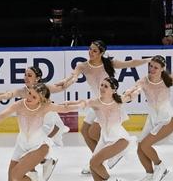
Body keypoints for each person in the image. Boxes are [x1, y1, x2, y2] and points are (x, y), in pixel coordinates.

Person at [60, 40, 149, 173]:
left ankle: (112, 153)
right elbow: (73, 76)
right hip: (97, 103)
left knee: (93, 132)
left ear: (102, 53)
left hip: (108, 104)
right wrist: (68, 81)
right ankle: (98, 158)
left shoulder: (109, 64)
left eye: (95, 50)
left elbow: (131, 63)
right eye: (90, 49)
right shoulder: (82, 65)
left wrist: (149, 60)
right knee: (85, 131)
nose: (91, 52)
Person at [0, 65, 73, 181]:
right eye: (25, 74)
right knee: (28, 145)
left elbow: (60, 88)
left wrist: (73, 78)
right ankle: (40, 166)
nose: (26, 77)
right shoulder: (23, 91)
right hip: (37, 123)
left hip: (49, 123)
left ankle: (40, 165)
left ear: (37, 78)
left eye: (29, 75)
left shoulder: (44, 88)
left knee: (31, 147)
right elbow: (9, 94)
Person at [64, 77, 136, 181]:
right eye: (101, 85)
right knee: (93, 165)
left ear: (113, 90)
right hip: (105, 138)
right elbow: (81, 104)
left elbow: (132, 95)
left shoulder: (118, 100)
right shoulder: (96, 102)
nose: (102, 88)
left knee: (94, 162)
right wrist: (65, 105)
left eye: (106, 86)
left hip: (119, 138)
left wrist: (138, 88)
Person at [123, 55, 173, 181]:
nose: (152, 69)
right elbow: (135, 90)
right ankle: (149, 175)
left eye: (155, 67)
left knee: (146, 145)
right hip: (153, 118)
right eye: (150, 66)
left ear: (162, 69)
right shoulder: (144, 81)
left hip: (167, 118)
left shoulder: (168, 79)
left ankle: (160, 166)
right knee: (140, 148)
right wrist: (128, 95)